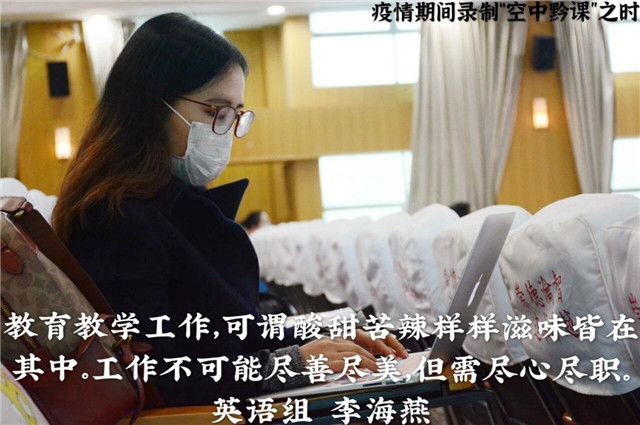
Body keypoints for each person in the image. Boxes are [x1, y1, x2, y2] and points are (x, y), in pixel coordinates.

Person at [52, 13, 407, 407]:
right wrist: (293, 364)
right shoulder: (112, 220)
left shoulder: (169, 206)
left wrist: (325, 336)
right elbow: (159, 376)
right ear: (151, 107)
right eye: (214, 111)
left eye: (235, 114)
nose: (225, 131)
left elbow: (234, 332)